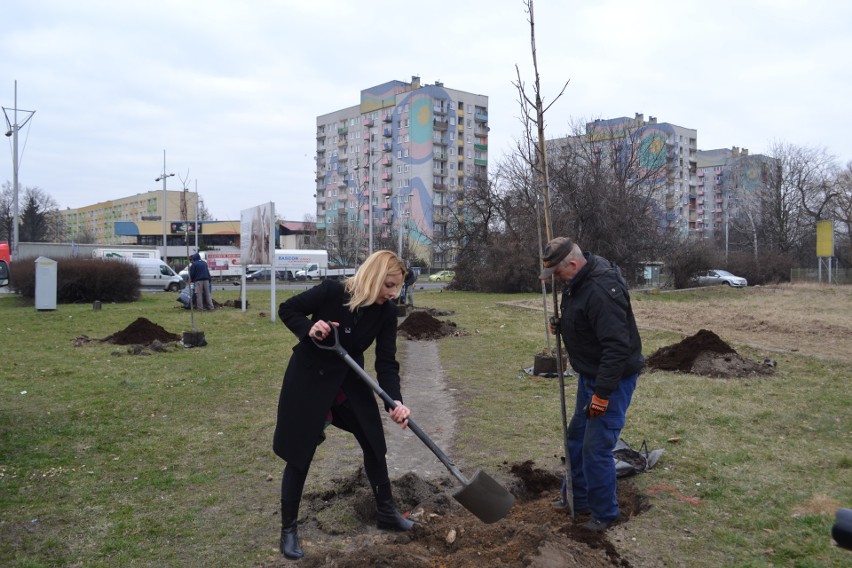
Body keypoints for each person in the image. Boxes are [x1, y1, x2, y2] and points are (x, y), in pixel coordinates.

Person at [273, 250, 415, 560]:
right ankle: (289, 530)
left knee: (374, 441)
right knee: (300, 452)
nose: (393, 294)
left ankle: (387, 512)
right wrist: (309, 328)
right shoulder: (332, 292)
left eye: (397, 287)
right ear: (373, 277)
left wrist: (396, 401)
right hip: (309, 380)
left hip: (349, 381)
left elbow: (387, 362)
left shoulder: (387, 312)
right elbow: (288, 309)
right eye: (389, 285)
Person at [539, 237, 644, 531]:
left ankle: (604, 515)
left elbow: (616, 347)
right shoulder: (577, 282)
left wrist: (602, 395)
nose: (557, 282)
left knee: (596, 447)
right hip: (590, 375)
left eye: (558, 274)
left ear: (572, 264)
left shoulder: (600, 289)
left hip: (611, 380)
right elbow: (585, 319)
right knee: (576, 438)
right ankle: (578, 499)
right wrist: (565, 326)